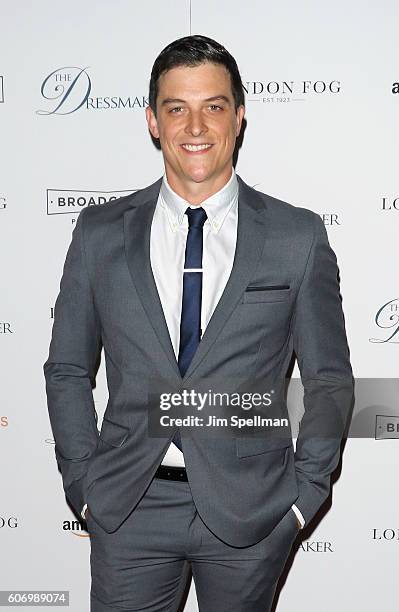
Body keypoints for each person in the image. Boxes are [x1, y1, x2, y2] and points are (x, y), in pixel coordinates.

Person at [44, 34, 354, 612]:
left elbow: (329, 379)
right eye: (176, 107)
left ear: (238, 118)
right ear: (153, 122)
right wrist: (83, 486)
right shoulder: (100, 234)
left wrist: (303, 496)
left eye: (213, 106)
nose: (195, 126)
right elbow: (66, 369)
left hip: (253, 511)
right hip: (127, 507)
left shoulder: (297, 238)